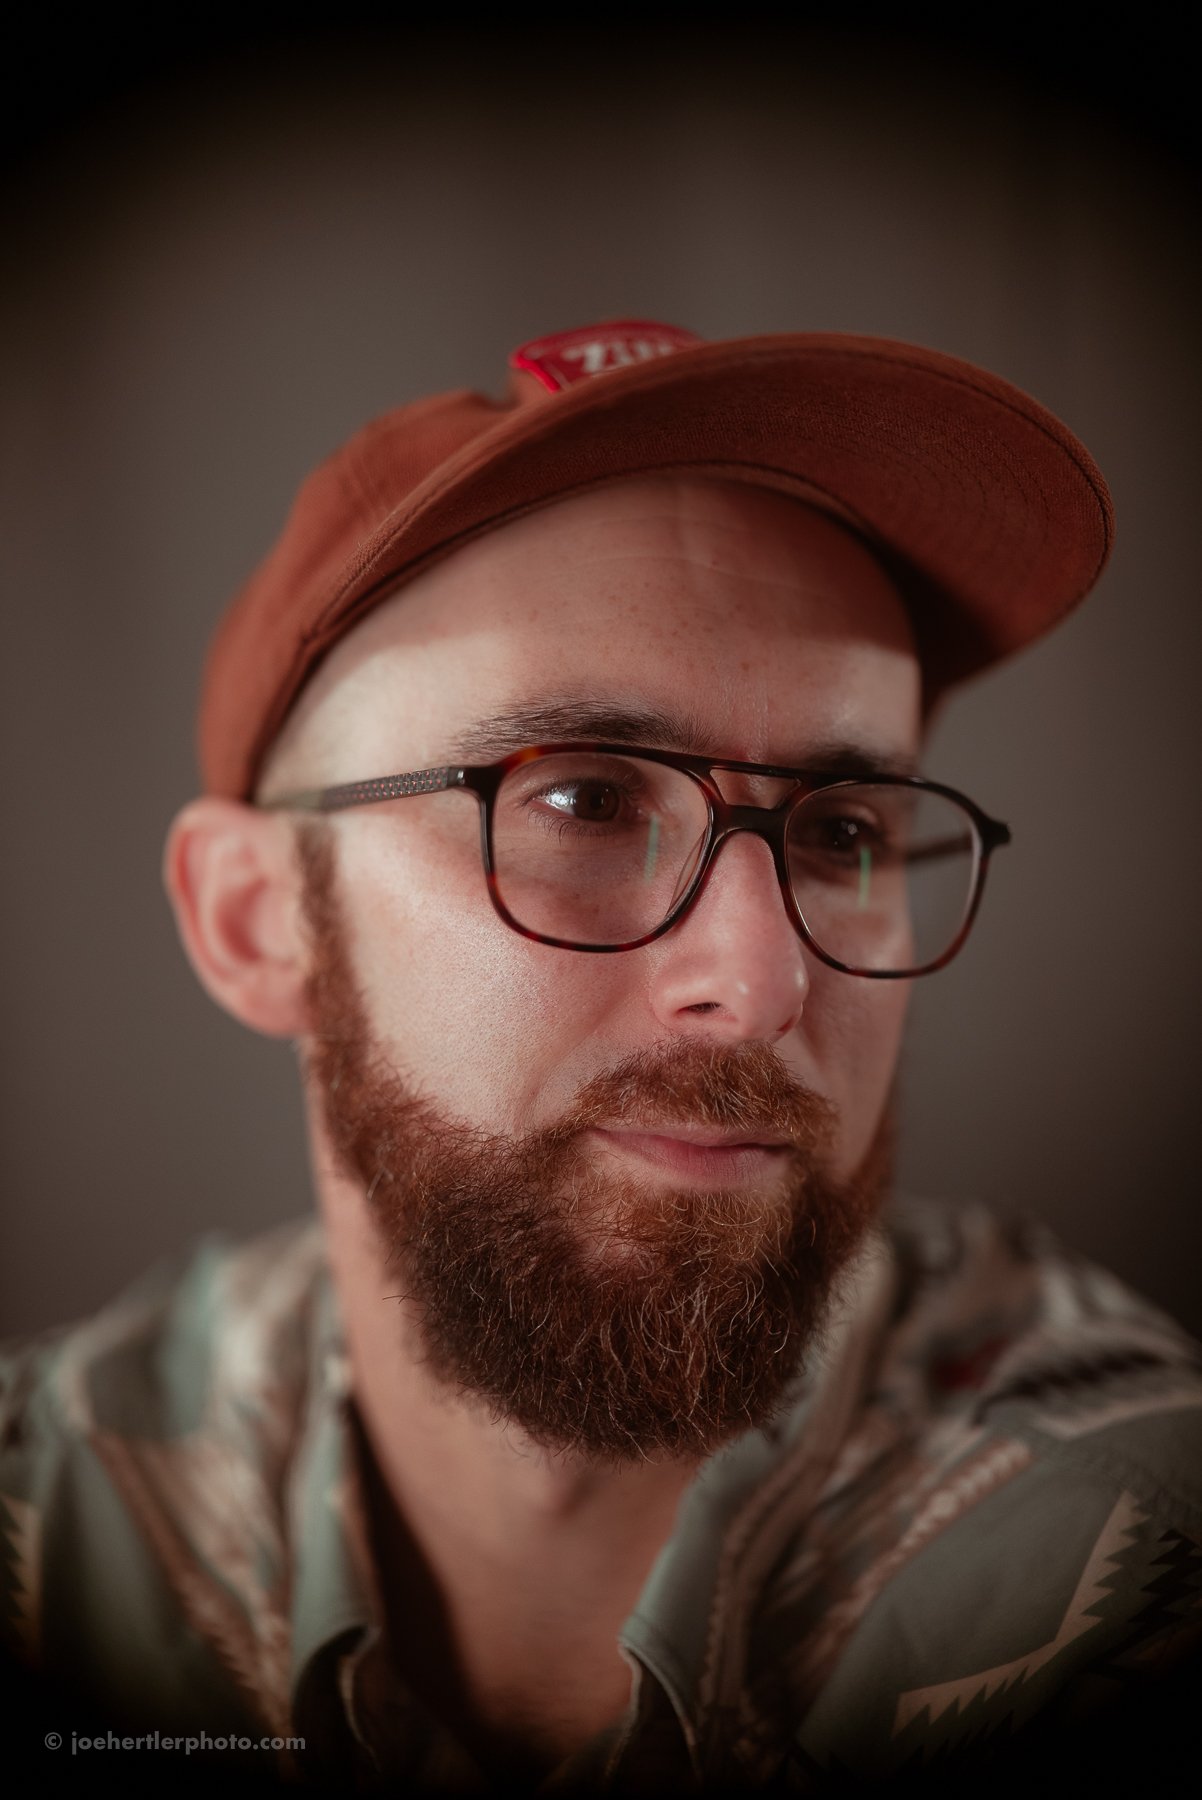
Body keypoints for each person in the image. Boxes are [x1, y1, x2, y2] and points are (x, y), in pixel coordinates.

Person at [3, 321, 1199, 1794]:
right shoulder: (42, 1527)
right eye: (578, 801)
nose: (760, 983)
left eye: (837, 832)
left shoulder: (1136, 1563)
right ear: (259, 923)